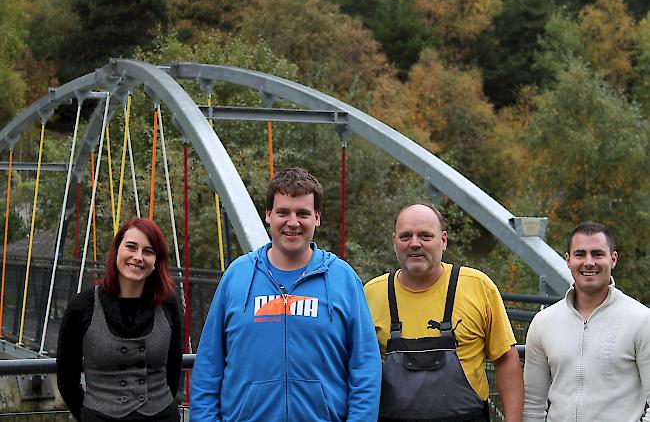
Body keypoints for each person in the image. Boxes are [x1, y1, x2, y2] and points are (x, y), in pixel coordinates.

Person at [190, 167, 381, 422]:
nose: (293, 222)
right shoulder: (237, 276)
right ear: (268, 215)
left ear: (317, 217)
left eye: (302, 213)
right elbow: (208, 367)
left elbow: (365, 368)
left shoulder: (342, 279)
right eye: (283, 212)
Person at [364, 203, 524, 422]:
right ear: (394, 242)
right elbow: (355, 368)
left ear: (443, 240)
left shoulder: (477, 287)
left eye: (425, 236)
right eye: (405, 236)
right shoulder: (371, 294)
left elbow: (506, 358)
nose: (414, 244)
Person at [57, 218, 183, 422]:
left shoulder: (167, 303)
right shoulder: (83, 305)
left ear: (156, 262)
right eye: (131, 247)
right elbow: (66, 379)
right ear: (117, 250)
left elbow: (174, 368)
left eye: (148, 251)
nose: (138, 257)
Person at [523, 221, 650, 422]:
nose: (589, 262)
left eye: (598, 254)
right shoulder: (543, 322)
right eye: (580, 254)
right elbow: (531, 404)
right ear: (568, 260)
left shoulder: (641, 320)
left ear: (613, 259)